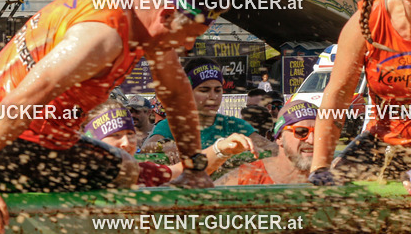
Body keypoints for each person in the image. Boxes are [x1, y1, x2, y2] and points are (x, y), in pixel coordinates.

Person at [0, 0, 229, 234]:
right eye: (190, 36)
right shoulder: (101, 40)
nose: (188, 46)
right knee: (125, 172)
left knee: (125, 168)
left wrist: (195, 168)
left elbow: (176, 92)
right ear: (166, 15)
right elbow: (17, 105)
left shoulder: (136, 0)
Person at [311, 0, 411, 184]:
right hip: (383, 142)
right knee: (329, 198)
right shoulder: (369, 18)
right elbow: (338, 93)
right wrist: (320, 167)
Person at [84, 101, 256, 187]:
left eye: (130, 134)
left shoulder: (141, 172)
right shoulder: (73, 175)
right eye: (115, 136)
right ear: (93, 143)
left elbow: (185, 171)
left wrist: (222, 148)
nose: (126, 143)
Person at [141, 58, 273, 157]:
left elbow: (271, 149)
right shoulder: (171, 126)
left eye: (217, 90)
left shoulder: (234, 125)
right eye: (204, 90)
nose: (213, 97)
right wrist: (165, 145)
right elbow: (145, 148)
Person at [217, 100, 317, 185]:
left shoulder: (330, 177)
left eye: (319, 133)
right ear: (279, 137)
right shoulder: (248, 176)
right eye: (301, 132)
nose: (312, 140)